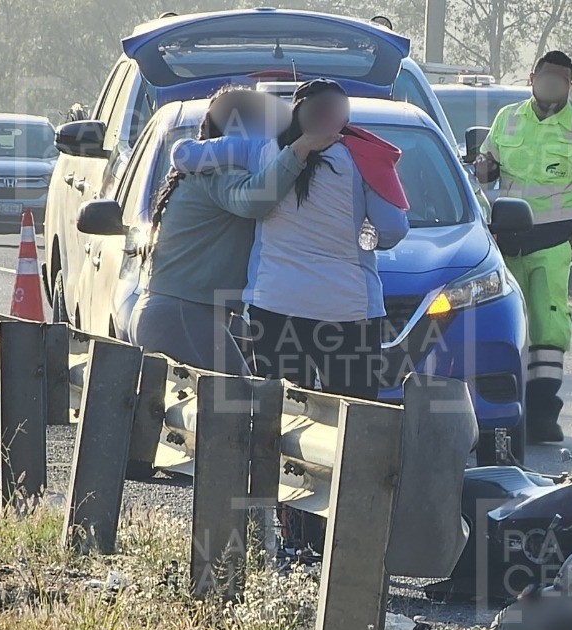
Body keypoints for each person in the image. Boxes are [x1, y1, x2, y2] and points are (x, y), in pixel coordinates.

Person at [169, 79, 410, 399]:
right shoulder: (361, 158)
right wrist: (363, 239)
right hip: (349, 312)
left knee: (278, 414)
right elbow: (393, 230)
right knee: (354, 415)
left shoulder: (258, 147)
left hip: (274, 307)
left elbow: (183, 155)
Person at [130, 86, 337, 375]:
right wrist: (299, 150)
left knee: (221, 412)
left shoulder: (206, 165)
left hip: (179, 315)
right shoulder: (219, 172)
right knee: (244, 406)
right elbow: (255, 201)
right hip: (183, 316)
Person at [474, 50, 572, 443]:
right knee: (502, 329)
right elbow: (487, 166)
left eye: (561, 79)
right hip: (506, 244)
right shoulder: (508, 119)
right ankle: (499, 410)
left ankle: (541, 416)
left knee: (547, 331)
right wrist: (484, 168)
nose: (552, 84)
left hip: (554, 244)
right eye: (546, 76)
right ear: (532, 77)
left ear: (570, 85)